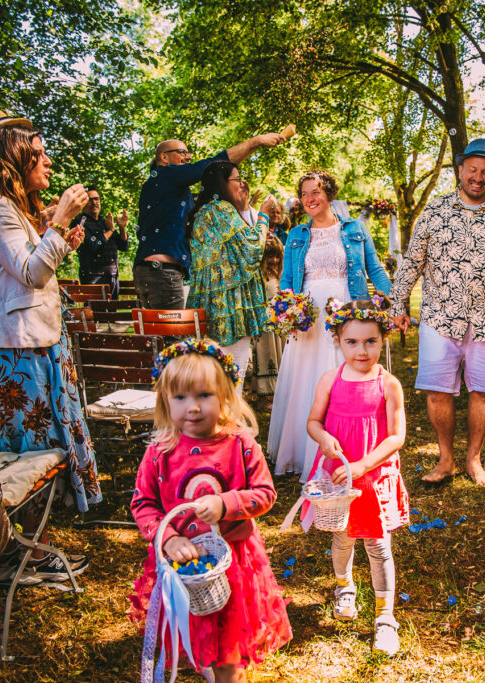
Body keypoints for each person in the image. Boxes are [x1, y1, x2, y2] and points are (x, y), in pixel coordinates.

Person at [0, 114, 100, 578]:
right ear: (13, 158)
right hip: (14, 351)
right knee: (27, 453)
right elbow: (32, 273)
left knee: (41, 449)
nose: (46, 161)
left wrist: (58, 237)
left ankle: (24, 546)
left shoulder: (9, 209)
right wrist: (59, 224)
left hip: (33, 343)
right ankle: (19, 551)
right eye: (37, 154)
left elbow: (27, 269)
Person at [129, 339, 291, 681]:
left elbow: (265, 493)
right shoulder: (160, 452)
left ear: (225, 396)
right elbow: (143, 504)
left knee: (230, 635)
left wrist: (226, 503)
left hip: (234, 561)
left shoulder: (240, 444)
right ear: (165, 401)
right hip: (183, 566)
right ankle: (208, 660)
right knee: (198, 624)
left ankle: (227, 671)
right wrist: (168, 538)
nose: (193, 408)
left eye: (204, 395)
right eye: (181, 397)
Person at [390, 138, 485, 485]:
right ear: (460, 170)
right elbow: (413, 261)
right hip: (440, 316)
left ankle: (474, 459)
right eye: (472, 170)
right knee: (438, 390)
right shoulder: (435, 211)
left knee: (482, 391)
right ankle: (445, 459)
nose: (478, 177)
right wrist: (398, 303)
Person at [268, 170, 391, 480]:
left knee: (346, 371)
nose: (310, 199)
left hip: (346, 311)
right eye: (305, 193)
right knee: (305, 379)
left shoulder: (354, 229)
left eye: (316, 192)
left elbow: (373, 269)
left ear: (330, 195)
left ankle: (349, 445)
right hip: (308, 316)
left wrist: (390, 299)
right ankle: (302, 450)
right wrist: (287, 308)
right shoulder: (296, 235)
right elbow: (286, 280)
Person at [304, 297, 408, 655]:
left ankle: (385, 617)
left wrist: (365, 464)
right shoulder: (330, 380)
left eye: (370, 341)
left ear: (384, 340)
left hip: (373, 474)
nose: (361, 350)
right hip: (339, 476)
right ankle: (344, 588)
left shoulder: (388, 384)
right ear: (337, 340)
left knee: (377, 544)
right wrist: (325, 438)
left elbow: (396, 435)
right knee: (343, 537)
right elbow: (313, 422)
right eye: (352, 342)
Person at [134, 133, 285, 310]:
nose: (188, 156)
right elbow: (212, 166)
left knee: (158, 336)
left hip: (152, 271)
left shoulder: (164, 189)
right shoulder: (165, 175)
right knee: (174, 337)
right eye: (182, 152)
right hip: (162, 271)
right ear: (164, 157)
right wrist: (255, 142)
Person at [186, 162, 273, 385]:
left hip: (211, 302)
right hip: (230, 305)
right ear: (222, 184)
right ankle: (229, 418)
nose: (241, 184)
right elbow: (252, 248)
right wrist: (263, 215)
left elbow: (231, 251)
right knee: (233, 375)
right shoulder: (221, 210)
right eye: (237, 179)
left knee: (212, 376)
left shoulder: (205, 212)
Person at [72, 186, 129, 298]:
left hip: (112, 279)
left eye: (96, 199)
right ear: (83, 203)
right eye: (90, 200)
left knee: (112, 314)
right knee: (96, 314)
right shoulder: (80, 222)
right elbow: (92, 246)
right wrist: (111, 230)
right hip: (93, 279)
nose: (94, 203)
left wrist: (122, 228)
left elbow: (123, 246)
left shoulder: (104, 222)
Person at [251, 235, 286, 404]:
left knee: (279, 356)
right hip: (265, 325)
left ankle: (278, 392)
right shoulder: (260, 276)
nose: (274, 260)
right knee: (266, 356)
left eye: (277, 256)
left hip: (280, 324)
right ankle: (265, 394)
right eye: (270, 256)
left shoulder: (281, 275)